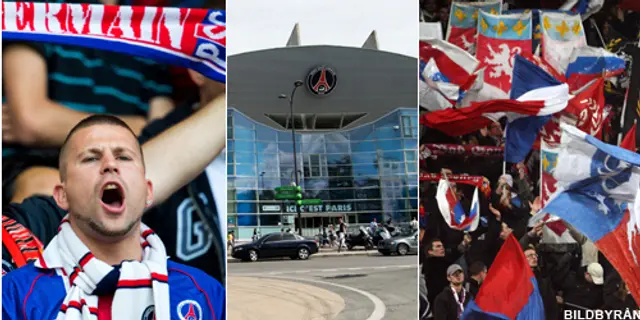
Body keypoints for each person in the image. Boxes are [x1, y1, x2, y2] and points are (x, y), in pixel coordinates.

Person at [2, 115, 224, 319]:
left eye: (124, 157)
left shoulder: (205, 293)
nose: (110, 165)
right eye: (90, 158)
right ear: (62, 196)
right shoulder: (14, 296)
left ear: (148, 191)